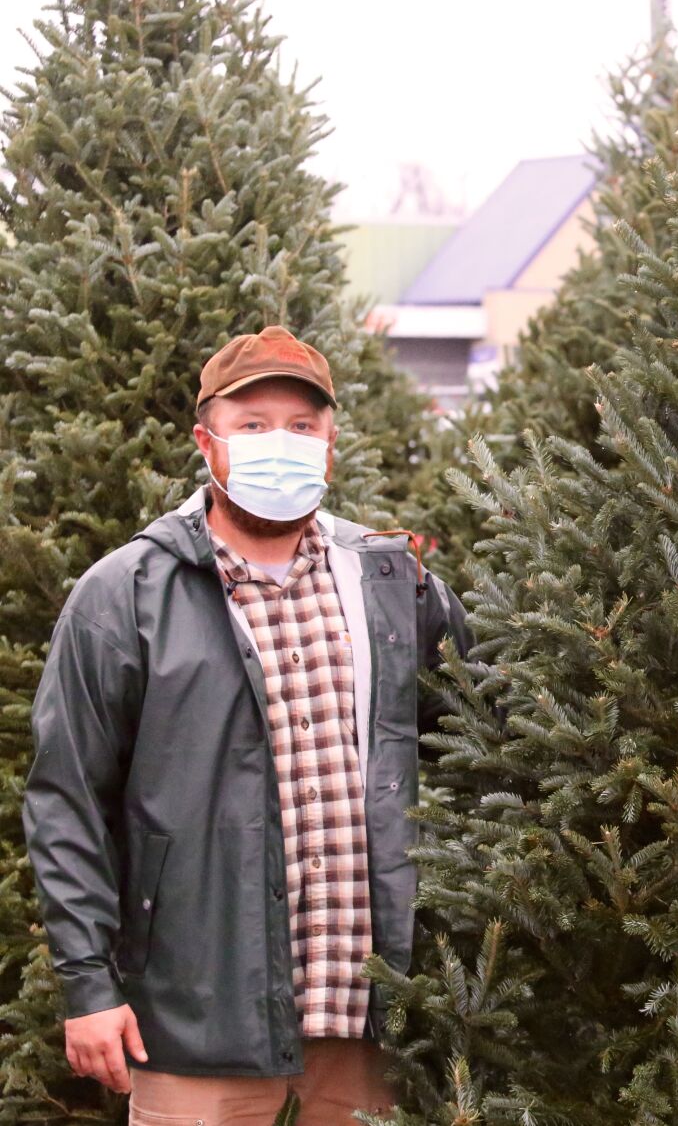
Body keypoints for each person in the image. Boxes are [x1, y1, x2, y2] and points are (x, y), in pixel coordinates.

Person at [25, 326, 468, 1125]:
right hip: (197, 1018)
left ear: (330, 445)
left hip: (366, 1012)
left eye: (302, 427)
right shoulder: (125, 592)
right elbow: (69, 799)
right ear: (208, 441)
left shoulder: (390, 580)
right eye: (254, 424)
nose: (280, 445)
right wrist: (89, 984)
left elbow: (479, 742)